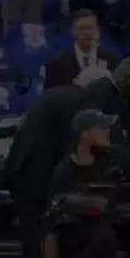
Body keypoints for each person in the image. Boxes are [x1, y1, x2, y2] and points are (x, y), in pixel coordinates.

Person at [5, 65, 112, 258]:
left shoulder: (54, 94)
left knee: (31, 235)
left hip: (22, 169)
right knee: (42, 235)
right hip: (40, 176)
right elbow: (71, 145)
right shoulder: (79, 101)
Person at [44, 109, 129, 258]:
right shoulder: (65, 174)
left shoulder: (116, 158)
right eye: (102, 128)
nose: (107, 132)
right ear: (85, 135)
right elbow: (53, 230)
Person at [44, 9, 120, 89]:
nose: (87, 32)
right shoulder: (56, 65)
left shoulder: (113, 62)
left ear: (98, 30)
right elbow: (50, 97)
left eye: (90, 28)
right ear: (73, 31)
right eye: (82, 28)